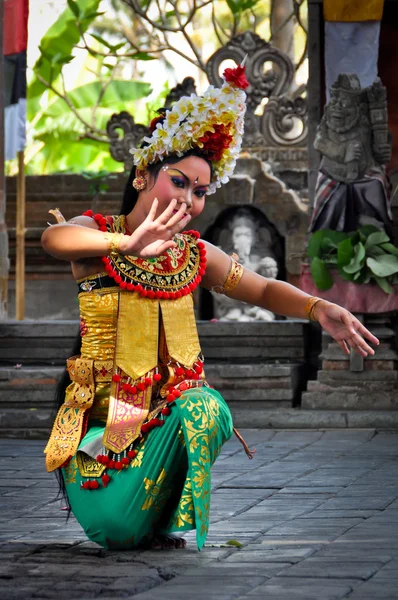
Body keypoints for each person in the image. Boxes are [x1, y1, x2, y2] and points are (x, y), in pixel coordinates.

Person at [41, 64, 379, 552]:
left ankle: (157, 519)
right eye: (179, 183)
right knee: (118, 532)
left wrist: (319, 307)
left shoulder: (193, 253)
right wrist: (129, 244)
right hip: (99, 436)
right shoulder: (99, 235)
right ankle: (130, 516)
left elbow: (261, 290)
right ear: (143, 174)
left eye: (200, 192)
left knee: (204, 406)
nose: (190, 200)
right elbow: (55, 239)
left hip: (158, 424)